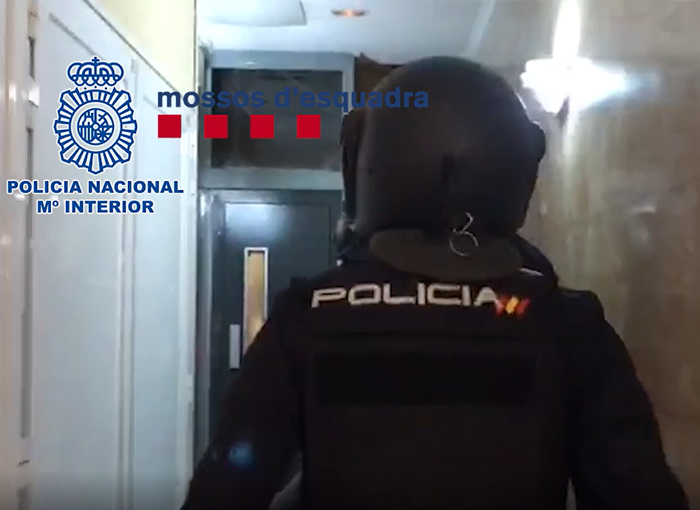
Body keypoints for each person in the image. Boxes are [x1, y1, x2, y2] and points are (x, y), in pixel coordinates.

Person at [181, 56, 689, 510]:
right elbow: (637, 490)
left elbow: (227, 486)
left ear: (372, 165)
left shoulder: (309, 316)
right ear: (515, 170)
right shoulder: (569, 327)